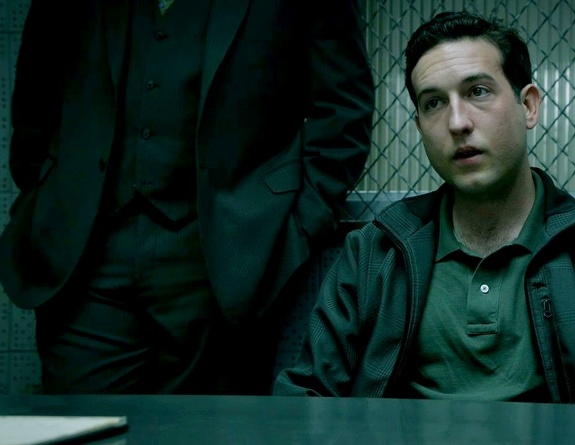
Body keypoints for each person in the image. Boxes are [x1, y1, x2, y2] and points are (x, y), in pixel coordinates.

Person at [274, 10, 575, 409]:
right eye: (434, 103)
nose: (457, 122)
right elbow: (306, 396)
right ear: (420, 127)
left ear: (528, 106)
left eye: (478, 91)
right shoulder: (376, 252)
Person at [0, 0, 374, 394]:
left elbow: (343, 108)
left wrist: (299, 226)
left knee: (203, 424)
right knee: (80, 420)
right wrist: (46, 194)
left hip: (228, 263)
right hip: (86, 263)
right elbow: (34, 103)